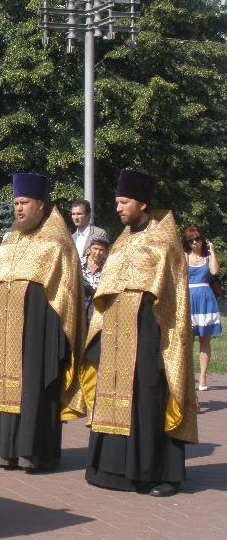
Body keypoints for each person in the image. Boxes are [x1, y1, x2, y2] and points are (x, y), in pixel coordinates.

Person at [84, 170, 197, 497]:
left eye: (124, 202)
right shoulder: (121, 241)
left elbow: (173, 300)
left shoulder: (164, 243)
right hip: (117, 334)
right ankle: (113, 470)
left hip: (151, 335)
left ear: (142, 203)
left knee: (150, 398)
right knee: (117, 398)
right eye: (117, 202)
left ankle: (162, 474)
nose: (118, 208)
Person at [0, 173, 86, 471]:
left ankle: (31, 451)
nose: (18, 209)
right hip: (2, 331)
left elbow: (67, 295)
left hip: (38, 331)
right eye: (16, 204)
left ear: (41, 205)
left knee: (32, 387)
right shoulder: (10, 241)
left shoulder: (57, 244)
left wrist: (54, 337)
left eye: (24, 203)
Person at [183, 226, 221, 391]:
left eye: (197, 238)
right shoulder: (184, 257)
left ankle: (203, 377)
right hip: (189, 299)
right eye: (190, 240)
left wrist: (212, 251)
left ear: (202, 239)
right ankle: (187, 377)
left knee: (204, 340)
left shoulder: (207, 257)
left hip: (205, 299)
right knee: (187, 342)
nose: (194, 242)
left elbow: (214, 271)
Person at [81, 234, 110, 321]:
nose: (97, 253)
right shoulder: (77, 264)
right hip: (78, 311)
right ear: (90, 248)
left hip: (97, 315)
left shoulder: (108, 268)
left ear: (106, 252)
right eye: (95, 248)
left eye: (101, 250)